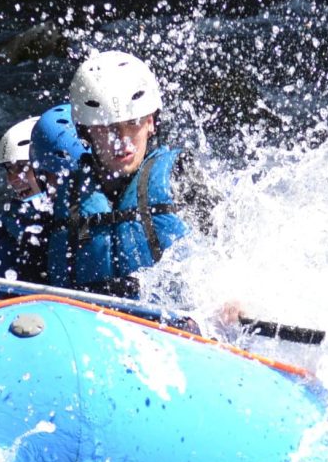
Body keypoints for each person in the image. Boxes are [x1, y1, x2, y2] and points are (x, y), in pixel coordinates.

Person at [44, 50, 213, 299]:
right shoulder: (65, 195)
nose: (122, 143)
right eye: (106, 129)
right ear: (85, 132)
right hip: (90, 324)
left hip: (172, 324)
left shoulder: (182, 175)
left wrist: (231, 298)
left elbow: (231, 251)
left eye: (133, 123)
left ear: (151, 123)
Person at [0, 115, 56, 285]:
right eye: (9, 170)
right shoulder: (10, 221)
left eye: (23, 167)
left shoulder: (81, 218)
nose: (13, 179)